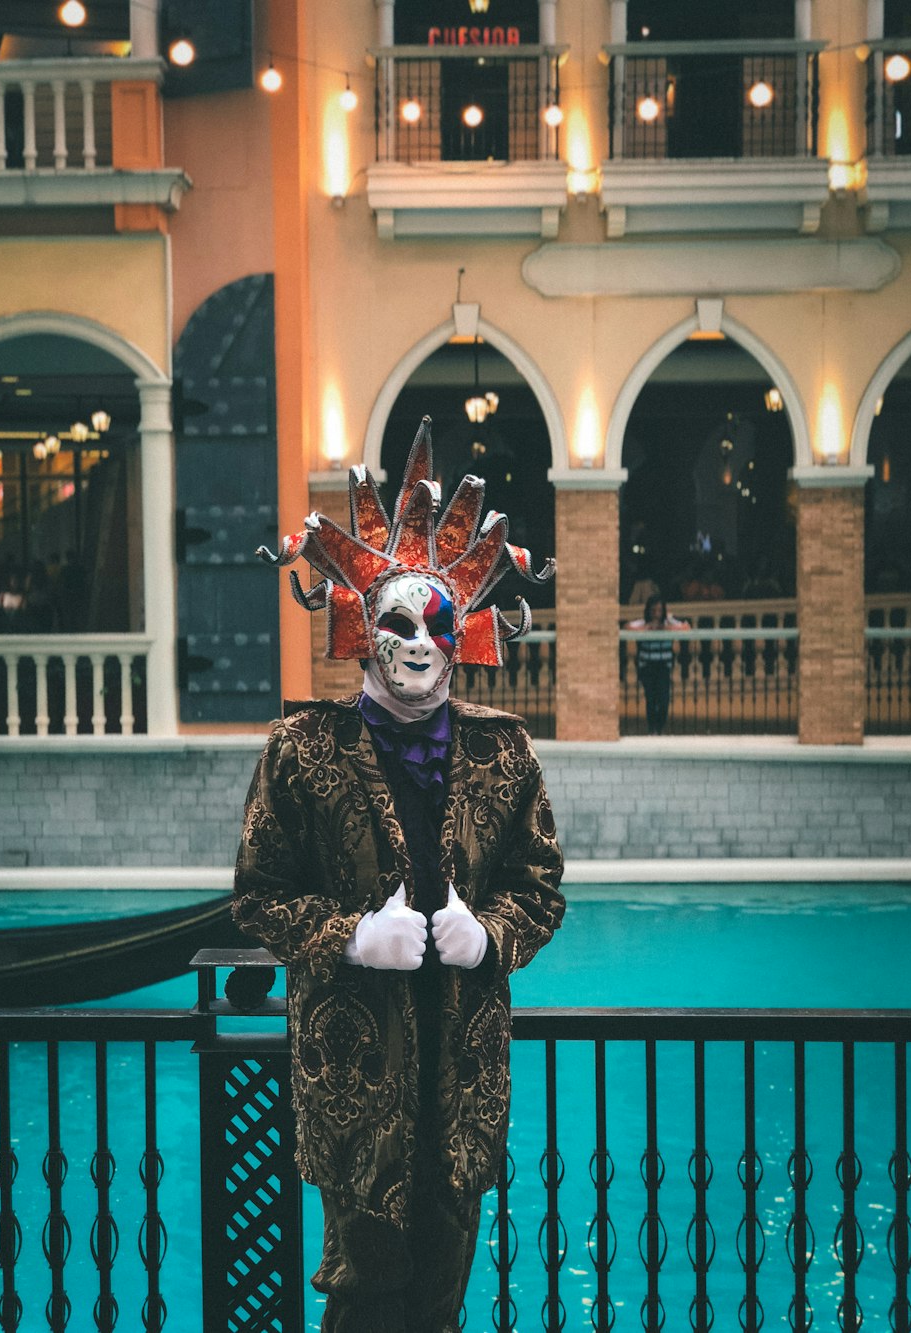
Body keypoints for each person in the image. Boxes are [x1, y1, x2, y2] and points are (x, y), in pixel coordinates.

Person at [232, 418, 565, 1333]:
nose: (419, 641)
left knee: (441, 1310)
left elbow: (542, 888)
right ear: (361, 625)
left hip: (464, 1092)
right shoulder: (301, 751)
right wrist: (349, 938)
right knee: (363, 1310)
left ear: (465, 635)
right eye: (399, 621)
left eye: (438, 623)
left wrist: (488, 933)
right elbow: (256, 893)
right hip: (352, 1090)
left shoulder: (507, 753)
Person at [627, 592, 689, 735]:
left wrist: (665, 628)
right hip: (647, 665)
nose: (656, 614)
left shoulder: (669, 621)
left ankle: (659, 727)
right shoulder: (643, 622)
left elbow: (686, 627)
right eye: (653, 610)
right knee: (651, 698)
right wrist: (646, 628)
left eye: (659, 610)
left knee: (664, 698)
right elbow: (627, 626)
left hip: (663, 666)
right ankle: (652, 729)